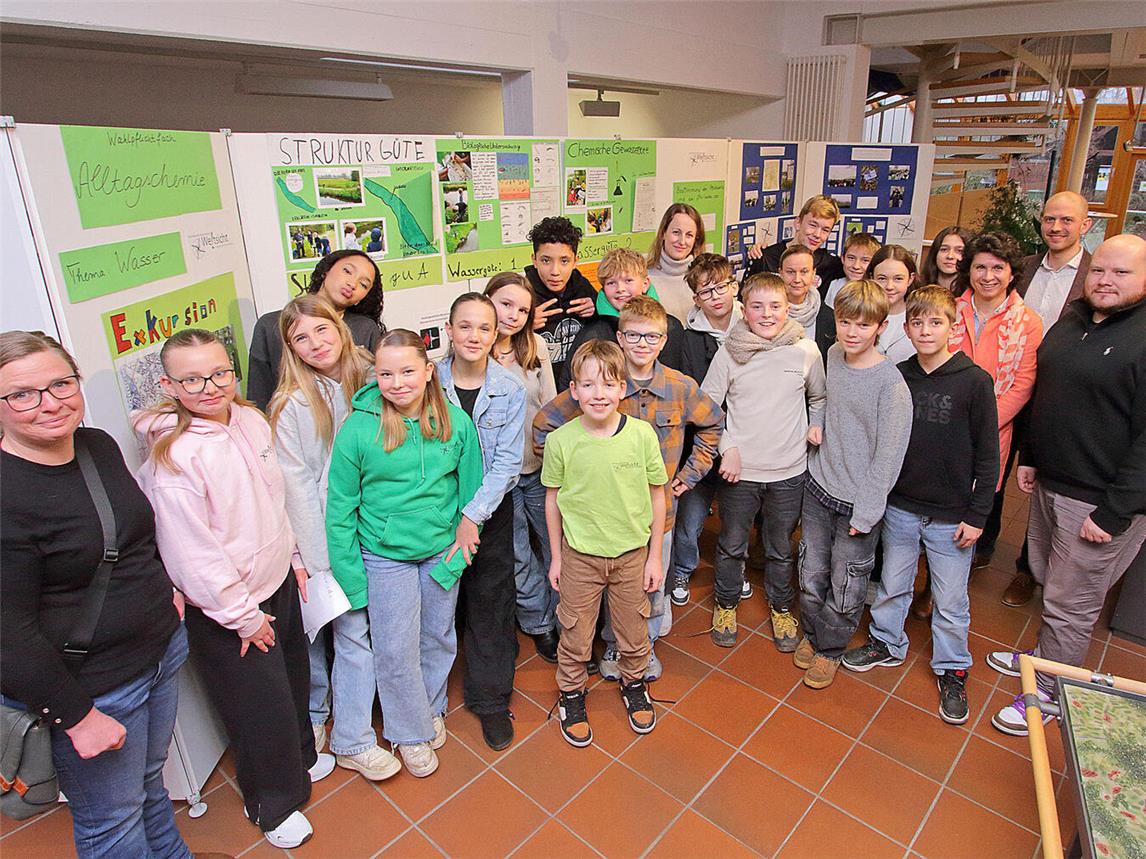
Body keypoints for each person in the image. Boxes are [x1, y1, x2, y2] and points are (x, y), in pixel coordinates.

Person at [135, 329, 333, 850]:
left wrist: (294, 558)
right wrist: (243, 615)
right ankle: (272, 803)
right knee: (258, 708)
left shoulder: (250, 419)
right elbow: (191, 556)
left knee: (292, 682)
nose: (211, 387)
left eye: (220, 372)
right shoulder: (173, 458)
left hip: (278, 580)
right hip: (230, 607)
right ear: (168, 385)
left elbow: (275, 499)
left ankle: (301, 758)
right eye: (193, 379)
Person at [0, 332, 192, 859]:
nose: (50, 403)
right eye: (23, 394)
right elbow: (8, 635)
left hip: (158, 653)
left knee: (151, 781)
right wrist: (77, 718)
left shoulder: (96, 446)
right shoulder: (6, 496)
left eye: (61, 384)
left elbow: (132, 534)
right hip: (94, 690)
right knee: (113, 821)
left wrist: (165, 588)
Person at [987, 234, 1146, 736]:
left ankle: (1050, 693)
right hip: (1054, 480)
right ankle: (1043, 658)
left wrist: (1115, 512)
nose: (1105, 280)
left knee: (1071, 604)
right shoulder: (1075, 319)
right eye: (1100, 270)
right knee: (1050, 581)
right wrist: (1032, 456)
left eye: (1121, 272)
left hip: (1100, 499)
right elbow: (1049, 393)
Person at [535, 296, 722, 682]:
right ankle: (612, 644)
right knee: (605, 591)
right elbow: (544, 425)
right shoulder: (599, 383)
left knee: (648, 588)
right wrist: (575, 471)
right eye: (633, 335)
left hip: (656, 515)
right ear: (619, 337)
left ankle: (640, 649)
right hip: (602, 520)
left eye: (652, 336)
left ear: (664, 340)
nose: (642, 343)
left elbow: (713, 424)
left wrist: (690, 474)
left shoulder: (679, 387)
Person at [325, 329, 483, 776]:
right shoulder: (358, 429)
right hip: (384, 556)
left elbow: (471, 497)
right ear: (375, 375)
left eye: (408, 371)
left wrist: (458, 557)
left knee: (438, 636)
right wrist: (352, 581)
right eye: (386, 374)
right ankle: (409, 733)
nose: (397, 383)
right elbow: (340, 510)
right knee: (395, 648)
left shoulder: (455, 422)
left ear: (429, 371)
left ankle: (429, 708)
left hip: (440, 550)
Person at [841, 287, 999, 725]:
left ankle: (953, 668)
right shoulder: (899, 375)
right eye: (917, 323)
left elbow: (989, 457)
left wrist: (977, 515)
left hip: (952, 513)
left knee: (950, 599)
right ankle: (886, 642)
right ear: (906, 329)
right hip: (902, 505)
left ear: (952, 327)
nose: (926, 331)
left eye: (935, 323)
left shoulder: (974, 382)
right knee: (893, 582)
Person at [266, 295, 400, 781]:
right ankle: (349, 737)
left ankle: (338, 723)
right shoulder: (292, 403)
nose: (316, 343)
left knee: (359, 631)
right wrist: (321, 558)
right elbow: (298, 486)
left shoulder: (374, 374)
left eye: (321, 330)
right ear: (291, 349)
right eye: (301, 338)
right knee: (344, 630)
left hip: (378, 528)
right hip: (329, 537)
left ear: (339, 326)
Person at [544, 340, 668, 747]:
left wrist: (655, 556)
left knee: (633, 629)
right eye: (588, 385)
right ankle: (571, 692)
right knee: (575, 631)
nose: (599, 394)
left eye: (609, 384)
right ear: (574, 390)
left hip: (632, 555)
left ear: (623, 389)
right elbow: (552, 500)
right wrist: (557, 557)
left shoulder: (642, 435)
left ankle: (634, 683)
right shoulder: (561, 441)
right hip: (580, 556)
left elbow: (657, 494)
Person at [701, 273, 826, 650]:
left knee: (780, 547)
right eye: (757, 306)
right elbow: (708, 408)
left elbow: (819, 398)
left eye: (775, 306)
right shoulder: (729, 351)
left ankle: (782, 607)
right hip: (740, 473)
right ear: (745, 310)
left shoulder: (806, 350)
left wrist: (816, 424)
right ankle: (725, 603)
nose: (767, 314)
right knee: (732, 544)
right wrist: (727, 446)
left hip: (789, 471)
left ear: (788, 309)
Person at [797, 280, 912, 689]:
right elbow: (824, 401)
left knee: (846, 581)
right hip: (819, 486)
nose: (851, 332)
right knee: (811, 568)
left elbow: (889, 457)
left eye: (862, 325)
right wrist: (816, 424)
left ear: (880, 327)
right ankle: (812, 632)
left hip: (857, 504)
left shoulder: (891, 386)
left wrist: (867, 513)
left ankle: (830, 648)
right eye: (845, 322)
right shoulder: (833, 355)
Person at [435, 293, 527, 751]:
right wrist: (453, 514)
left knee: (491, 602)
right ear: (448, 330)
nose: (474, 336)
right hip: (435, 511)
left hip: (489, 510)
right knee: (438, 604)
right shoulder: (426, 381)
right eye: (465, 326)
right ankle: (429, 700)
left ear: (496, 335)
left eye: (484, 328)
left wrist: (473, 516)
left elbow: (508, 463)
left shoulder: (509, 388)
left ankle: (491, 699)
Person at [999, 191, 1093, 608]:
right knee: (997, 467)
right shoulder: (1024, 268)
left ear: (1085, 225)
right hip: (1011, 384)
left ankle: (1030, 570)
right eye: (1050, 219)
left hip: (1059, 394)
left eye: (1066, 220)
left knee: (1044, 485)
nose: (1056, 227)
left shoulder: (1093, 275)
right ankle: (987, 547)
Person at [949, 232, 1043, 572]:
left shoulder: (1028, 322)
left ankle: (955, 575)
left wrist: (980, 424)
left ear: (1011, 272)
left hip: (991, 431)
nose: (988, 276)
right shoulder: (949, 310)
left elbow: (1022, 385)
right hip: (943, 424)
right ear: (969, 270)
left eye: (997, 268)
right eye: (980, 267)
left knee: (975, 508)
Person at [485, 273, 560, 663]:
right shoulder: (473, 351)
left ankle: (567, 618)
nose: (513, 315)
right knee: (517, 553)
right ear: (487, 301)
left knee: (555, 544)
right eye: (505, 304)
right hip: (499, 478)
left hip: (539, 468)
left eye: (522, 309)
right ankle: (538, 621)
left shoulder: (536, 347)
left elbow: (551, 407)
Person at [671, 253, 741, 605]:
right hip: (700, 442)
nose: (715, 297)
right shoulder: (689, 338)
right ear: (696, 299)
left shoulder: (752, 326)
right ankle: (683, 568)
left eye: (721, 287)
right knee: (690, 517)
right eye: (706, 291)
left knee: (737, 517)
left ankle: (735, 572)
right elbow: (693, 392)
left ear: (734, 287)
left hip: (742, 440)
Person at [247, 250, 384, 412]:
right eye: (347, 271)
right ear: (326, 271)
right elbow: (258, 395)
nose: (352, 284)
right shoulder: (270, 325)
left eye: (363, 285)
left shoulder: (365, 328)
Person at [559, 247, 685, 388]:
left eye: (628, 280)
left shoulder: (671, 327)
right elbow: (568, 383)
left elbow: (679, 380)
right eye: (611, 283)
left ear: (645, 284)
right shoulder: (593, 333)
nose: (620, 289)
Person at [525, 217, 597, 383]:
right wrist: (524, 326)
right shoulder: (522, 293)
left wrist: (598, 309)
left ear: (575, 261)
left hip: (580, 385)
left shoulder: (583, 287)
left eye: (564, 261)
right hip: (539, 387)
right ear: (534, 260)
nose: (555, 271)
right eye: (546, 261)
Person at [744, 195, 845, 293]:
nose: (817, 234)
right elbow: (745, 297)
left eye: (825, 230)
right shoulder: (765, 258)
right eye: (813, 225)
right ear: (798, 223)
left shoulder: (830, 264)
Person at [646, 203, 707, 323]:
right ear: (663, 233)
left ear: (696, 240)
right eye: (676, 232)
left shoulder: (705, 278)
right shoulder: (644, 279)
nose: (682, 241)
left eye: (689, 235)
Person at [778, 244, 836, 359]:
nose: (797, 279)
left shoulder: (829, 317)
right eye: (790, 272)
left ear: (813, 274)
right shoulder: (767, 313)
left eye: (804, 272)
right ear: (781, 273)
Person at [869, 245, 920, 363]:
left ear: (910, 279)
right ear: (872, 278)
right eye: (882, 278)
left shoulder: (920, 317)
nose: (889, 286)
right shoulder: (861, 314)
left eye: (898, 279)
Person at [824, 232, 881, 308]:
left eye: (865, 260)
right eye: (851, 258)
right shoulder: (833, 285)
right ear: (843, 259)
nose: (856, 266)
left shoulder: (878, 290)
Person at [920, 226, 970, 293]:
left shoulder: (973, 295)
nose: (950, 256)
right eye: (944, 249)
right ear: (935, 253)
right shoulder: (918, 290)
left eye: (959, 251)